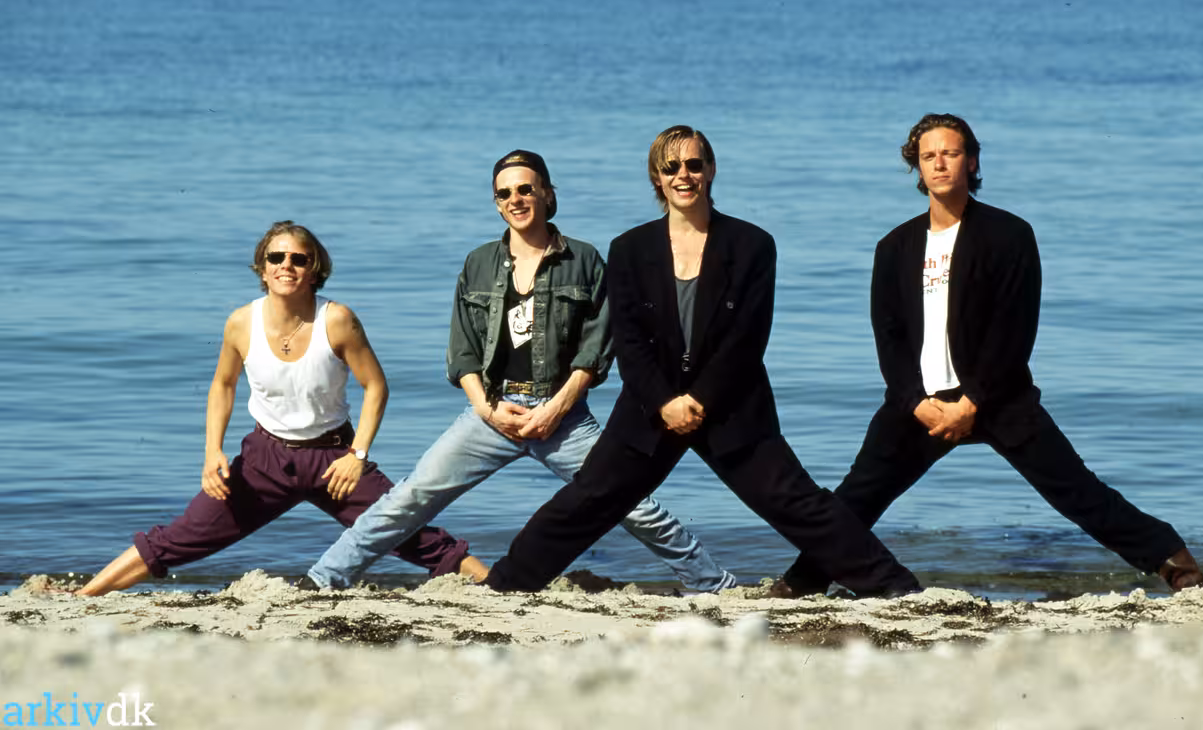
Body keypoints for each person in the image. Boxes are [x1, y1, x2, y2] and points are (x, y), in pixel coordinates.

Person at [772, 113, 1203, 598]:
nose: (940, 164)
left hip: (998, 398)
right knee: (859, 494)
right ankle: (802, 582)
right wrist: (913, 400)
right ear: (918, 168)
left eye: (951, 153)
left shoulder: (1009, 234)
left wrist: (973, 401)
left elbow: (1014, 329)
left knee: (1075, 490)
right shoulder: (894, 247)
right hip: (921, 403)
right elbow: (888, 336)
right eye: (928, 156)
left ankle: (1175, 563)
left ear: (972, 161)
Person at [482, 126, 922, 596]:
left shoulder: (752, 244)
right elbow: (629, 342)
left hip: (732, 405)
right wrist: (665, 402)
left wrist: (700, 399)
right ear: (656, 177)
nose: (683, 175)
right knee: (589, 499)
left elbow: (747, 339)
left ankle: (894, 587)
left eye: (693, 165)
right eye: (671, 167)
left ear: (710, 170)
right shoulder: (629, 248)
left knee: (794, 501)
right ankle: (505, 585)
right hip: (652, 408)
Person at [301, 150, 735, 592]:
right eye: (504, 194)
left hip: (562, 416)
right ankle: (325, 578)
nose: (516, 200)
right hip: (492, 412)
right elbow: (462, 352)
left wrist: (555, 409)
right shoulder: (479, 263)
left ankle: (712, 582)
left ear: (546, 193)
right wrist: (487, 410)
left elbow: (598, 348)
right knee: (412, 496)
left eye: (526, 189)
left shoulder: (583, 260)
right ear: (496, 203)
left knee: (632, 502)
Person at [77, 221, 482, 596]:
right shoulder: (241, 322)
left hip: (334, 460)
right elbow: (222, 384)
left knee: (407, 530)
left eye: (298, 259)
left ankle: (497, 588)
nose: (286, 265)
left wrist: (358, 455)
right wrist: (212, 451)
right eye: (276, 257)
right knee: (182, 537)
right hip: (264, 461)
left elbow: (375, 386)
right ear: (263, 266)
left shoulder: (337, 320)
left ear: (314, 269)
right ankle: (84, 596)